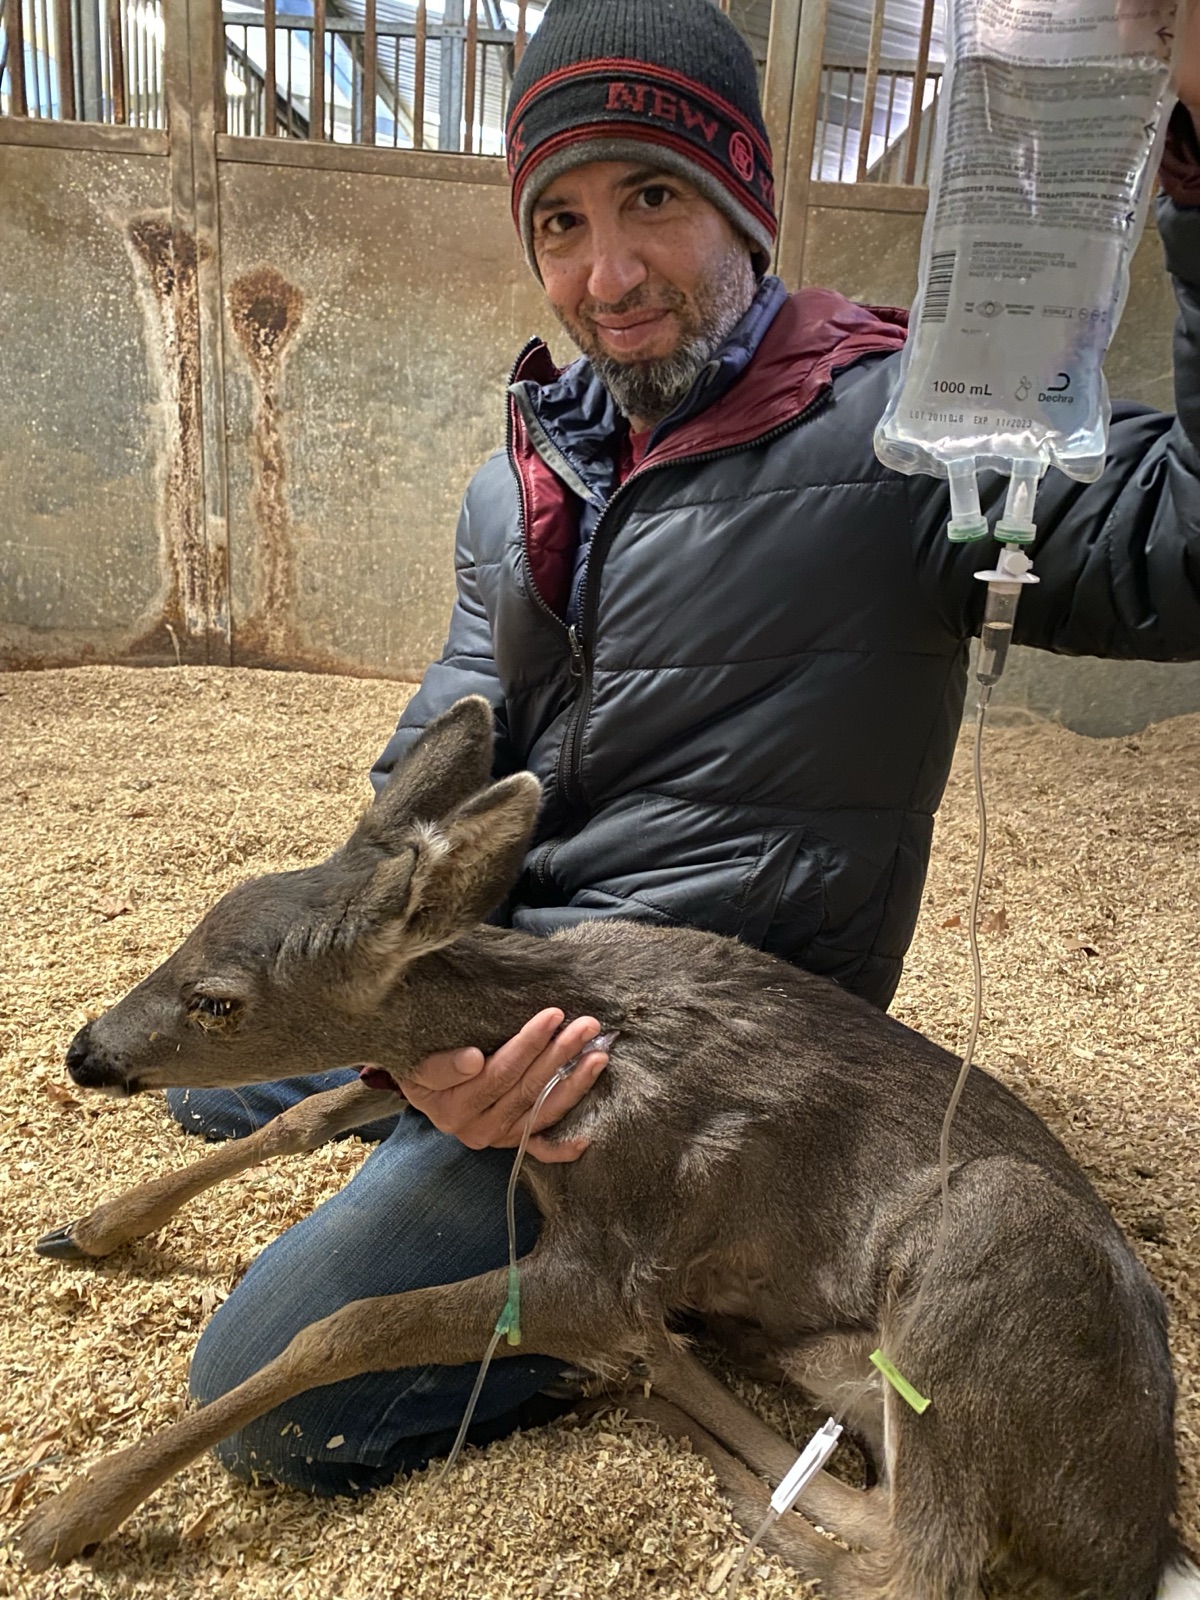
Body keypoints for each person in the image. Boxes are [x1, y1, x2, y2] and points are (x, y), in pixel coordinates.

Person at [168, 0, 1200, 1498]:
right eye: (564, 220)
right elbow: (420, 776)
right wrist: (422, 1043)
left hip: (682, 1059)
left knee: (264, 1402)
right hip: (508, 982)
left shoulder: (911, 433)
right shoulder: (516, 472)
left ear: (746, 204)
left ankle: (670, 1290)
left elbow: (1179, 542)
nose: (610, 272)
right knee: (207, 1069)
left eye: (654, 197)